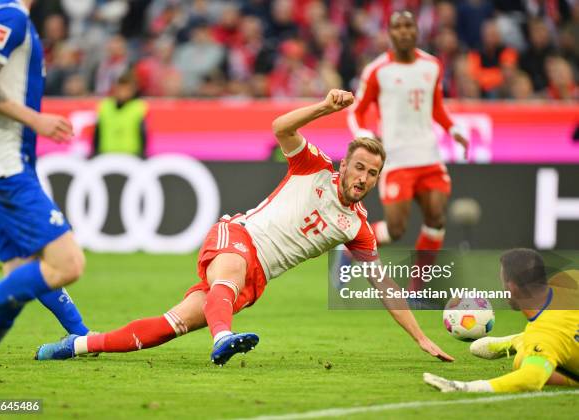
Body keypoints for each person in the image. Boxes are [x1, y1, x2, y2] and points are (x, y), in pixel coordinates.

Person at [35, 89, 454, 367]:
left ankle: (77, 344)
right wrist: (325, 108)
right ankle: (222, 339)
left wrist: (420, 338)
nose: (363, 177)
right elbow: (280, 128)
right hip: (238, 237)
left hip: (256, 278)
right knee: (230, 274)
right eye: (358, 167)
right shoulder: (314, 166)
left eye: (372, 173)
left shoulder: (357, 227)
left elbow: (384, 285)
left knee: (168, 327)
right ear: (344, 165)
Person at [0, 0, 85, 398]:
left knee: (19, 280)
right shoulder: (8, 16)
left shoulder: (7, 20)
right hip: (2, 171)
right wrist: (37, 120)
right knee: (65, 262)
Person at [346, 11, 469, 292]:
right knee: (396, 230)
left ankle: (417, 289)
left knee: (436, 218)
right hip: (396, 159)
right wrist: (364, 135)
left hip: (428, 156)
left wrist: (454, 129)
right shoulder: (377, 70)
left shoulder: (432, 65)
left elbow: (436, 106)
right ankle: (349, 249)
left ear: (416, 30)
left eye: (408, 26)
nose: (403, 31)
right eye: (397, 27)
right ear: (390, 33)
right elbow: (357, 110)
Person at [424, 249, 579, 392]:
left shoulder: (544, 335)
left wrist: (465, 387)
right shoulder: (570, 278)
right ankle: (518, 340)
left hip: (549, 340)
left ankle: (517, 341)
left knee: (523, 362)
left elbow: (531, 379)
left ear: (512, 288)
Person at [92, 71, 148, 157]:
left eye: (126, 89)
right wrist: (95, 151)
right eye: (120, 88)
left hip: (131, 154)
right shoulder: (104, 106)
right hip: (106, 153)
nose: (123, 92)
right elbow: (97, 132)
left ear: (133, 90)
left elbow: (143, 133)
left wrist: (142, 153)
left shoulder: (138, 107)